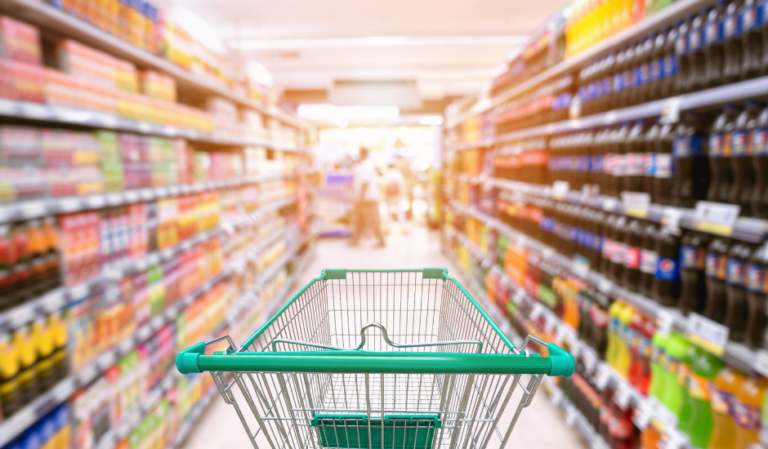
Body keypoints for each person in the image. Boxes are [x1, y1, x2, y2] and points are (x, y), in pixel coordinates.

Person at [349, 147, 385, 247]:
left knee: (372, 220)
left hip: (367, 198)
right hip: (366, 197)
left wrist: (360, 197)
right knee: (359, 219)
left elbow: (365, 182)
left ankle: (381, 240)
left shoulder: (366, 165)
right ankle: (355, 240)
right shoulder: (366, 165)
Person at [383, 163, 407, 233]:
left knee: (388, 211)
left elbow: (385, 185)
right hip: (397, 195)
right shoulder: (398, 173)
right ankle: (403, 227)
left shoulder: (387, 173)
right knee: (399, 210)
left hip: (389, 195)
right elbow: (401, 185)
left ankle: (387, 227)